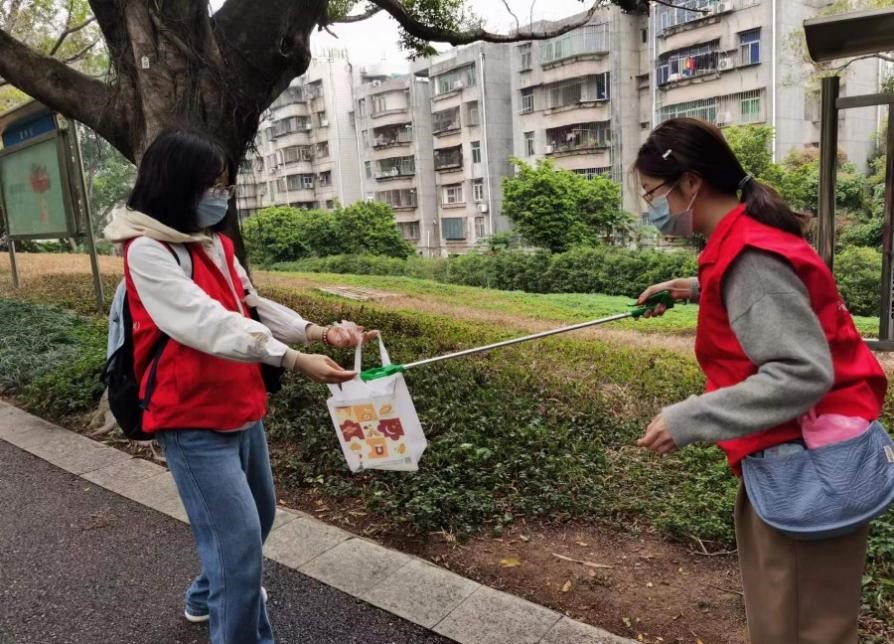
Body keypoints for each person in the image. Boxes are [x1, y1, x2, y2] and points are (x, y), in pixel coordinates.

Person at [105, 128, 372, 644]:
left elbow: (249, 307)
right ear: (175, 185)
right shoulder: (146, 252)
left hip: (241, 407)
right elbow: (206, 322)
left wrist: (315, 332)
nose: (220, 197)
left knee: (259, 520)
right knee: (239, 546)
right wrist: (292, 358)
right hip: (191, 420)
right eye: (212, 186)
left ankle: (207, 595)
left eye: (225, 186)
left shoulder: (215, 244)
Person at [634, 118, 887, 643]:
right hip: (803, 458)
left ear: (691, 184)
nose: (652, 210)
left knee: (795, 629)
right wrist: (694, 287)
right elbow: (774, 305)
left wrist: (690, 417)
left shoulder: (748, 257)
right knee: (800, 619)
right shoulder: (750, 239)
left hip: (802, 466)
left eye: (653, 194)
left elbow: (801, 371)